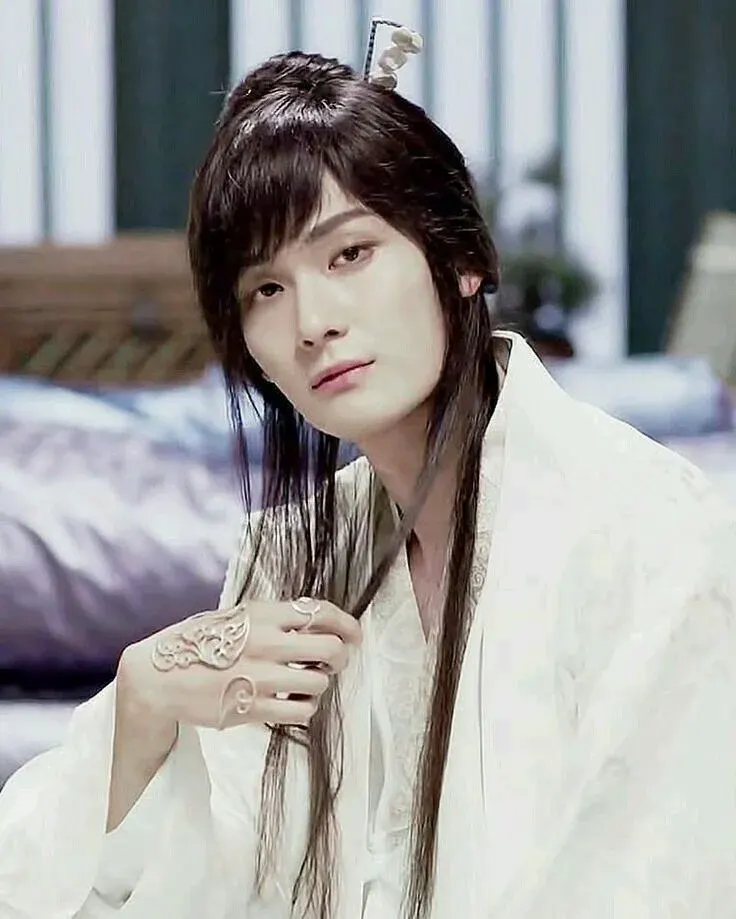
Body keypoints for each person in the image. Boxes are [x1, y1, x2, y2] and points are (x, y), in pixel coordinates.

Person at [2, 21, 736, 919]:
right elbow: (197, 884)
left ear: (461, 259)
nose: (313, 321)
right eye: (266, 289)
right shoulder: (292, 556)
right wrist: (144, 702)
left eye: (349, 254)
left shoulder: (650, 532)